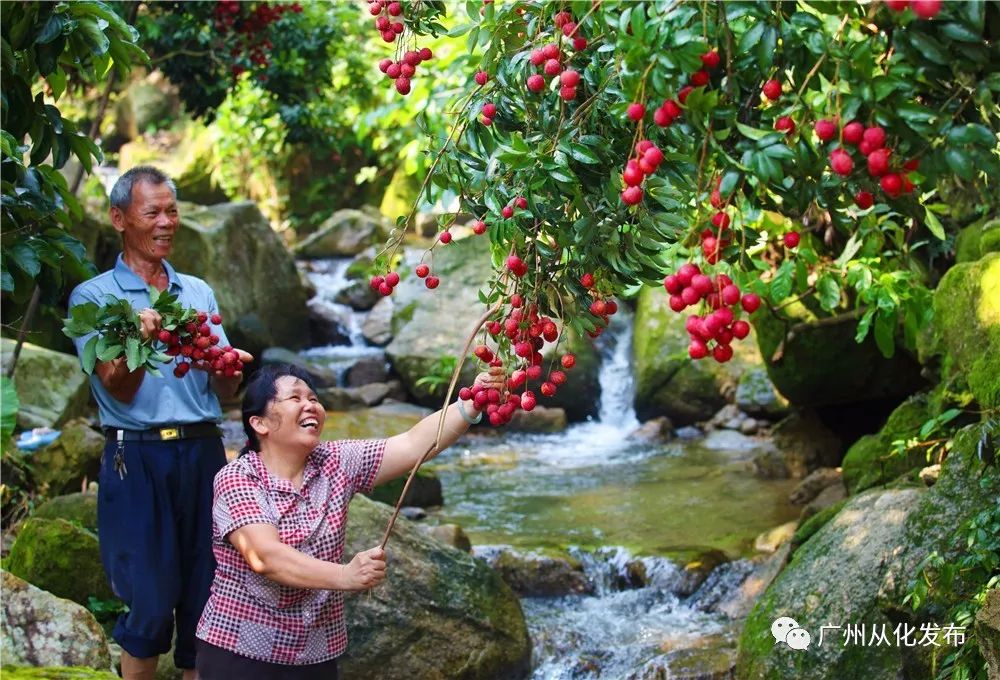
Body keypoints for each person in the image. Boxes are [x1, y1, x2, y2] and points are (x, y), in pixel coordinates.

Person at [194, 362, 504, 678]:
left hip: (314, 654)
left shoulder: (337, 461)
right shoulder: (238, 477)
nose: (310, 405)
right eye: (295, 398)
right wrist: (345, 575)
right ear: (259, 423)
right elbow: (265, 557)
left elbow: (411, 445)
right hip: (241, 652)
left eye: (314, 398)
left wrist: (470, 403)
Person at [68, 165, 253, 680]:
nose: (167, 221)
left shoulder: (197, 292)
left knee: (206, 597)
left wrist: (229, 369)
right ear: (119, 218)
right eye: (153, 212)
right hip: (136, 456)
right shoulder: (93, 298)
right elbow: (115, 384)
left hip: (203, 455)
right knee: (148, 603)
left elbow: (222, 390)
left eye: (172, 210)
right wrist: (141, 341)